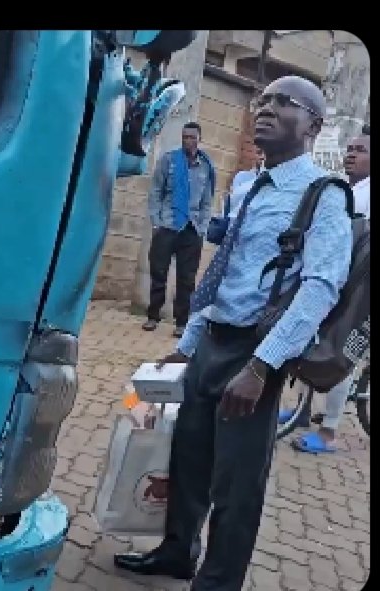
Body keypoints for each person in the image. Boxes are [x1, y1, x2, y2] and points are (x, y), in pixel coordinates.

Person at [114, 76, 353, 590]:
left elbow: (321, 287)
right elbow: (223, 273)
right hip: (212, 341)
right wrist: (187, 346)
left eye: (283, 102)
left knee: (237, 485)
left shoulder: (323, 194)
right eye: (262, 100)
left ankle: (219, 582)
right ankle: (177, 553)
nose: (265, 108)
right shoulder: (245, 183)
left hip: (255, 353)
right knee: (189, 459)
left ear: (313, 125)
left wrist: (262, 367)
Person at [283, 132, 370, 454]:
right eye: (350, 149)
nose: (352, 154)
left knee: (340, 353)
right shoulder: (348, 189)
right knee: (312, 342)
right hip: (337, 281)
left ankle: (329, 430)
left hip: (358, 291)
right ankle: (302, 412)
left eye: (361, 150)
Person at [143, 122, 217, 337]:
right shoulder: (169, 160)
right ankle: (153, 316)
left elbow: (206, 200)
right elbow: (156, 191)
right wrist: (156, 221)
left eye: (192, 137)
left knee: (186, 279)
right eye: (185, 137)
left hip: (192, 229)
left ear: (199, 139)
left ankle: (181, 322)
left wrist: (202, 227)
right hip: (167, 225)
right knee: (158, 272)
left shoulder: (206, 166)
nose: (188, 141)